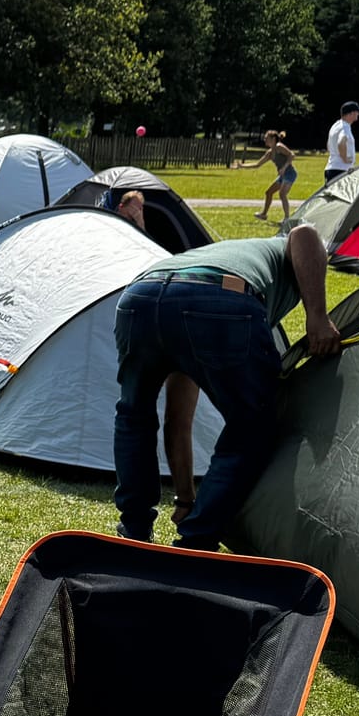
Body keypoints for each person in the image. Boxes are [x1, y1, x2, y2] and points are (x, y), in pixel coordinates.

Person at [113, 228, 342, 552]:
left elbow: (178, 420)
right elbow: (305, 234)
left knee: (134, 416)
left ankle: (134, 531)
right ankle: (196, 543)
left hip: (140, 297)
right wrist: (316, 316)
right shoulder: (281, 249)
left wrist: (185, 497)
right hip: (221, 297)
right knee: (254, 424)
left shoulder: (224, 256)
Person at [115, 192, 202, 521]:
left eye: (140, 205)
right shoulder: (118, 230)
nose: (137, 210)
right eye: (132, 205)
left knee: (160, 416)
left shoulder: (152, 235)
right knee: (139, 414)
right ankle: (162, 512)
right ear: (120, 206)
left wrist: (141, 223)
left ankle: (179, 505)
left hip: (154, 306)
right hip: (165, 306)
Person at [233, 130, 298, 221]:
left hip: (290, 173)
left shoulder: (279, 147)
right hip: (282, 176)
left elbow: (292, 155)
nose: (264, 139)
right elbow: (257, 164)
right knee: (269, 193)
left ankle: (287, 218)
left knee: (282, 194)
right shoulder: (269, 153)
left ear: (273, 139)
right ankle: (264, 214)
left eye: (266, 138)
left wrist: (284, 167)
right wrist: (241, 166)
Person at [324, 101, 359, 182]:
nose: (358, 114)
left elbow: (328, 146)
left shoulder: (335, 125)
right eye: (357, 112)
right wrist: (345, 159)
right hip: (341, 170)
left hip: (331, 167)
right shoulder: (345, 127)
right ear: (351, 113)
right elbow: (341, 142)